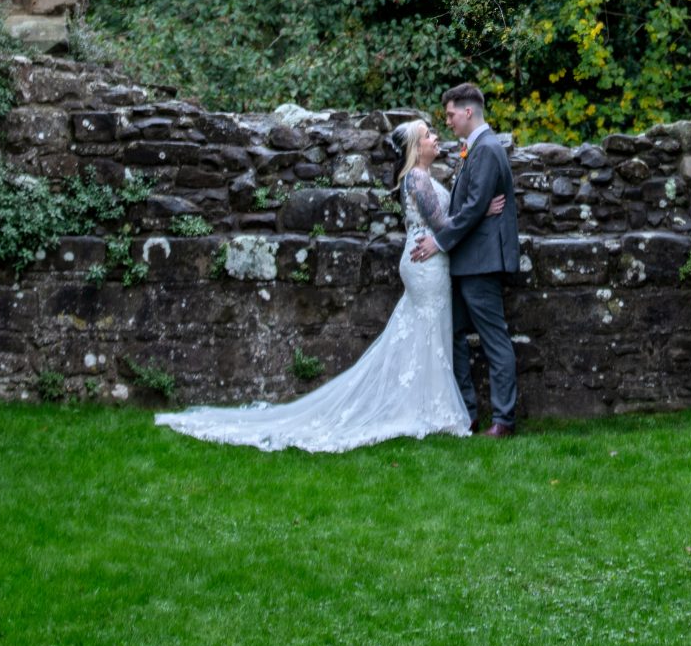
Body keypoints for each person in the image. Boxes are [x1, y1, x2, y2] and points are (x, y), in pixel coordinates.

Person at [153, 115, 505, 453]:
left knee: (430, 334)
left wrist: (471, 212)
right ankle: (429, 410)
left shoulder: (424, 175)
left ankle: (433, 406)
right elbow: (442, 224)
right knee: (428, 332)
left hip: (431, 262)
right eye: (428, 135)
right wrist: (481, 212)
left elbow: (445, 219)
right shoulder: (415, 177)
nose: (435, 138)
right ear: (416, 146)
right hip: (425, 264)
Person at [410, 81, 521, 436]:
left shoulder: (487, 149)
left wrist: (440, 241)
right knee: (454, 333)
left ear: (468, 111)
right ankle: (467, 412)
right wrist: (477, 209)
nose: (449, 121)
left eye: (451, 114)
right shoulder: (473, 149)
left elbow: (472, 207)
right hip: (467, 259)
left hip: (482, 261)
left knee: (493, 339)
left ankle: (503, 420)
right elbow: (472, 205)